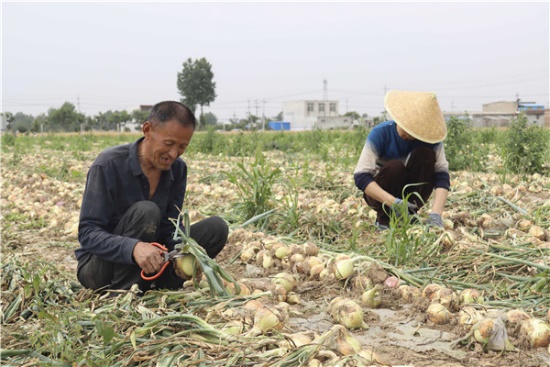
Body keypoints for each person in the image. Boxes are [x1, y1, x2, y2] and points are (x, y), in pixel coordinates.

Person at [75, 101, 228, 292]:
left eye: (182, 146)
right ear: (147, 130)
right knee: (146, 211)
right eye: (169, 143)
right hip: (100, 268)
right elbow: (88, 233)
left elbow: (170, 225)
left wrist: (185, 255)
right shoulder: (108, 165)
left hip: (152, 259)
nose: (173, 154)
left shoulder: (178, 169)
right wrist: (133, 248)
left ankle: (163, 282)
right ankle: (124, 294)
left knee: (216, 228)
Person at [353, 90, 450, 230]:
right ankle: (384, 219)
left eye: (415, 132)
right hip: (380, 195)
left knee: (425, 155)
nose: (409, 136)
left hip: (414, 193)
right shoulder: (381, 134)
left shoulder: (430, 139)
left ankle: (410, 214)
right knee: (395, 167)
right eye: (407, 129)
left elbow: (442, 176)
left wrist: (436, 214)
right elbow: (361, 176)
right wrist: (393, 202)